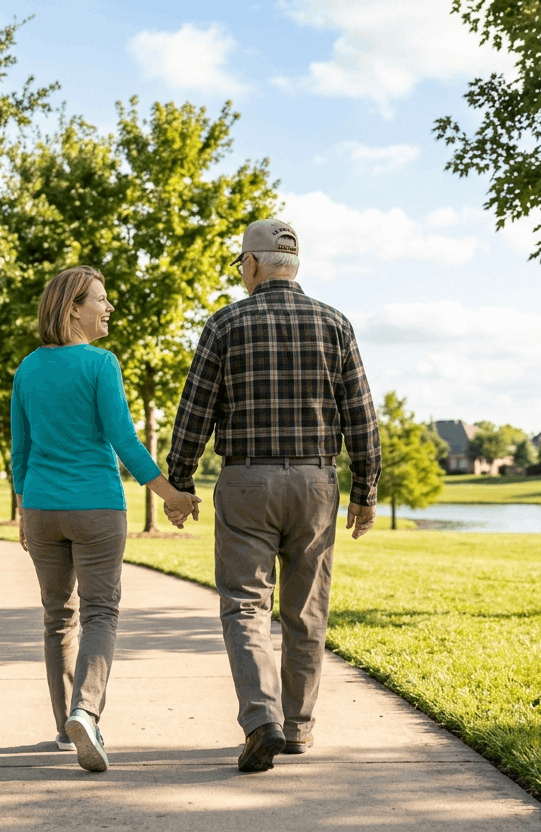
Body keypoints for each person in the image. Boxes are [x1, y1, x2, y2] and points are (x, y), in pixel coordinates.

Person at [164, 219, 381, 773]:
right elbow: (360, 412)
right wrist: (366, 488)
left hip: (246, 481)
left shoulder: (224, 324)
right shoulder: (336, 324)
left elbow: (195, 411)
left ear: (254, 265)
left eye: (241, 264)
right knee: (306, 607)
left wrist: (181, 481)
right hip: (314, 481)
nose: (241, 274)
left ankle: (262, 720)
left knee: (245, 605)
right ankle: (300, 727)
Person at [11, 266, 200, 773]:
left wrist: (23, 512)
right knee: (100, 613)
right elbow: (125, 441)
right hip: (95, 507)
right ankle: (86, 713)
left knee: (58, 617)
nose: (109, 307)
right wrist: (171, 494)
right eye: (101, 299)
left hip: (43, 508)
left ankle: (63, 727)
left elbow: (20, 450)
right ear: (72, 308)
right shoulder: (101, 364)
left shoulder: (27, 368)